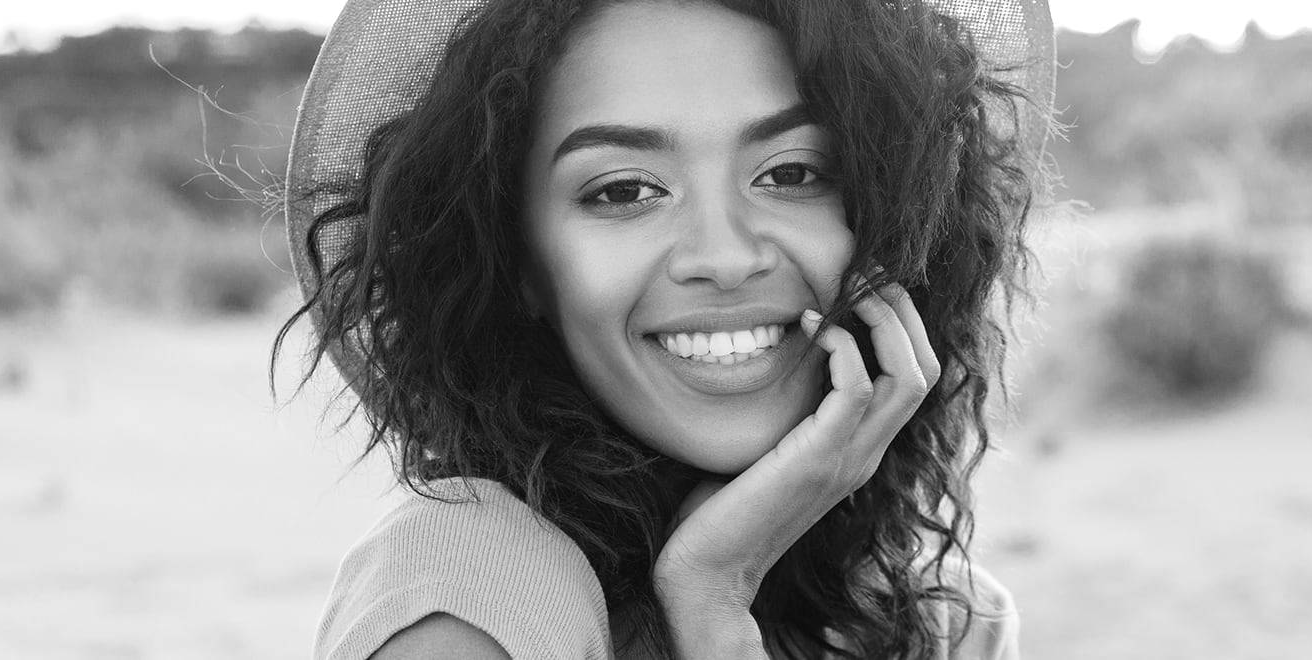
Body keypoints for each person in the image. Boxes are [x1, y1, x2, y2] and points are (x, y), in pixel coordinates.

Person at [278, 0, 1055, 657]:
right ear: (518, 266)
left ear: (889, 223)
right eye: (624, 190)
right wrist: (712, 601)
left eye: (792, 174)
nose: (725, 257)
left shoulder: (950, 621)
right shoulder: (471, 585)